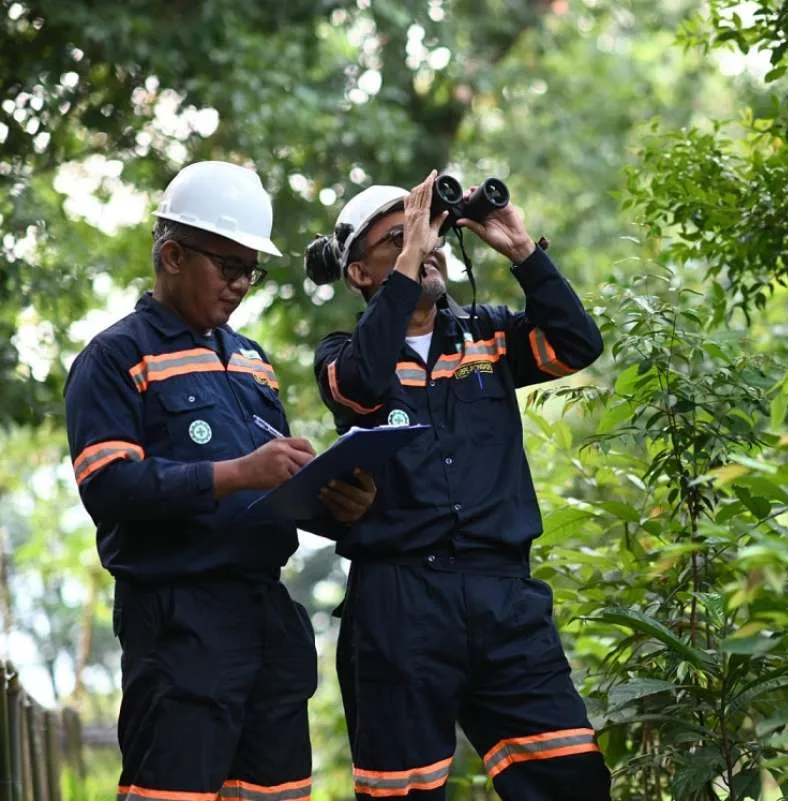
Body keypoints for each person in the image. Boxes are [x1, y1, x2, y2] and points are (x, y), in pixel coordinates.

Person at [64, 160, 378, 801]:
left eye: (250, 271)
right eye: (227, 266)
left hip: (265, 615)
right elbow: (109, 486)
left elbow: (272, 484)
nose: (240, 284)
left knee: (275, 792)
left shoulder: (253, 362)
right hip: (180, 620)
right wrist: (236, 474)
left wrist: (334, 501)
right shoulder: (117, 356)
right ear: (173, 255)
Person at [304, 170, 611, 800]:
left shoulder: (489, 336)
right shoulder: (342, 355)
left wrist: (523, 251)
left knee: (569, 779)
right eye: (398, 237)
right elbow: (361, 383)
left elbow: (577, 345)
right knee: (403, 793)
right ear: (360, 274)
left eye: (432, 229)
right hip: (399, 604)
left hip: (505, 598)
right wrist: (414, 250)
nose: (427, 242)